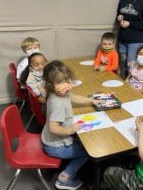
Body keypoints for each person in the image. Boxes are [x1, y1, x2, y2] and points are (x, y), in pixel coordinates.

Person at [42, 60, 102, 190]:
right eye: (60, 82)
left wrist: (91, 100)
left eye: (68, 80)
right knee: (88, 152)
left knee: (83, 142)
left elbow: (73, 98)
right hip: (55, 147)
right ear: (50, 85)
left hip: (52, 140)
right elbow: (53, 128)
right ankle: (64, 178)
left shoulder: (59, 93)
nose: (66, 86)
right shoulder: (58, 104)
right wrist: (70, 129)